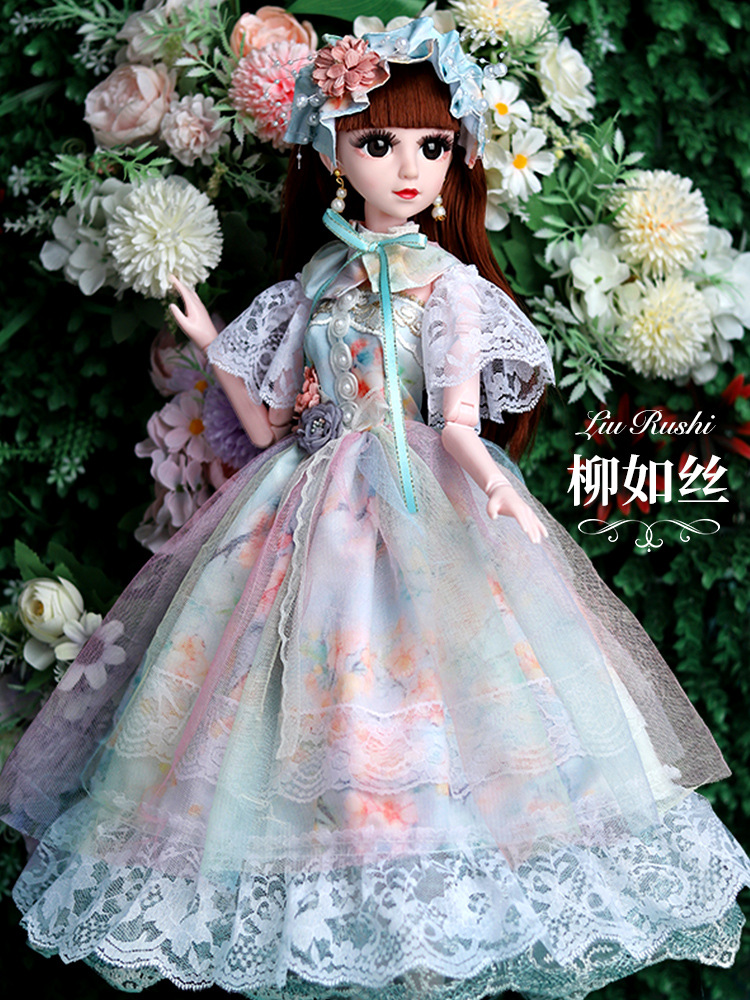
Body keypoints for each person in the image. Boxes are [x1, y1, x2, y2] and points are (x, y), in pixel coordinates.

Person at [1, 18, 748, 1000]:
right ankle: (323, 889)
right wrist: (214, 341)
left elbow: (459, 424)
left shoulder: (453, 289)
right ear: (333, 151)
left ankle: (427, 904)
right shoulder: (315, 284)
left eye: (432, 147)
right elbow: (269, 428)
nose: (408, 168)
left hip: (421, 499)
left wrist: (499, 492)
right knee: (268, 691)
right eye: (381, 143)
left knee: (452, 697)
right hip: (300, 501)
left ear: (456, 159)